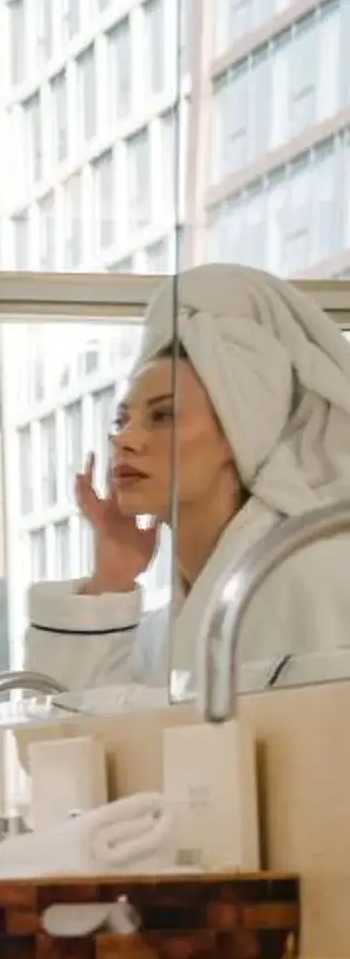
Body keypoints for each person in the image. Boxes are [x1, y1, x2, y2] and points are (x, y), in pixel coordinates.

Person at [31, 264, 350, 697]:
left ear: (239, 435)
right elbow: (70, 743)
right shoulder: (167, 628)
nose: (125, 439)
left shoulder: (314, 579)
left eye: (163, 416)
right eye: (122, 420)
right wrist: (112, 577)